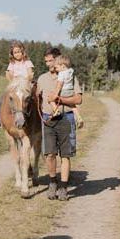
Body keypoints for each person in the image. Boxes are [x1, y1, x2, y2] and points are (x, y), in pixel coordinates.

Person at [36, 49, 83, 201]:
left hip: (66, 117)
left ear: (57, 60)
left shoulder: (70, 76)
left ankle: (63, 186)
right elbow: (36, 99)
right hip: (48, 119)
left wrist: (60, 100)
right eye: (46, 61)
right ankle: (52, 182)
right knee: (49, 154)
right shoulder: (42, 79)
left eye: (51, 61)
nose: (48, 64)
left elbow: (78, 99)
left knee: (65, 155)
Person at [0, 42, 35, 127]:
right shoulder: (12, 63)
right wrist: (12, 81)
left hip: (25, 84)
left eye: (19, 52)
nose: (17, 54)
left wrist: (26, 80)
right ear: (12, 54)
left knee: (34, 96)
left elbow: (30, 73)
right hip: (15, 84)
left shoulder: (27, 62)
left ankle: (37, 115)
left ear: (22, 52)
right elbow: (9, 74)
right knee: (2, 98)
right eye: (15, 53)